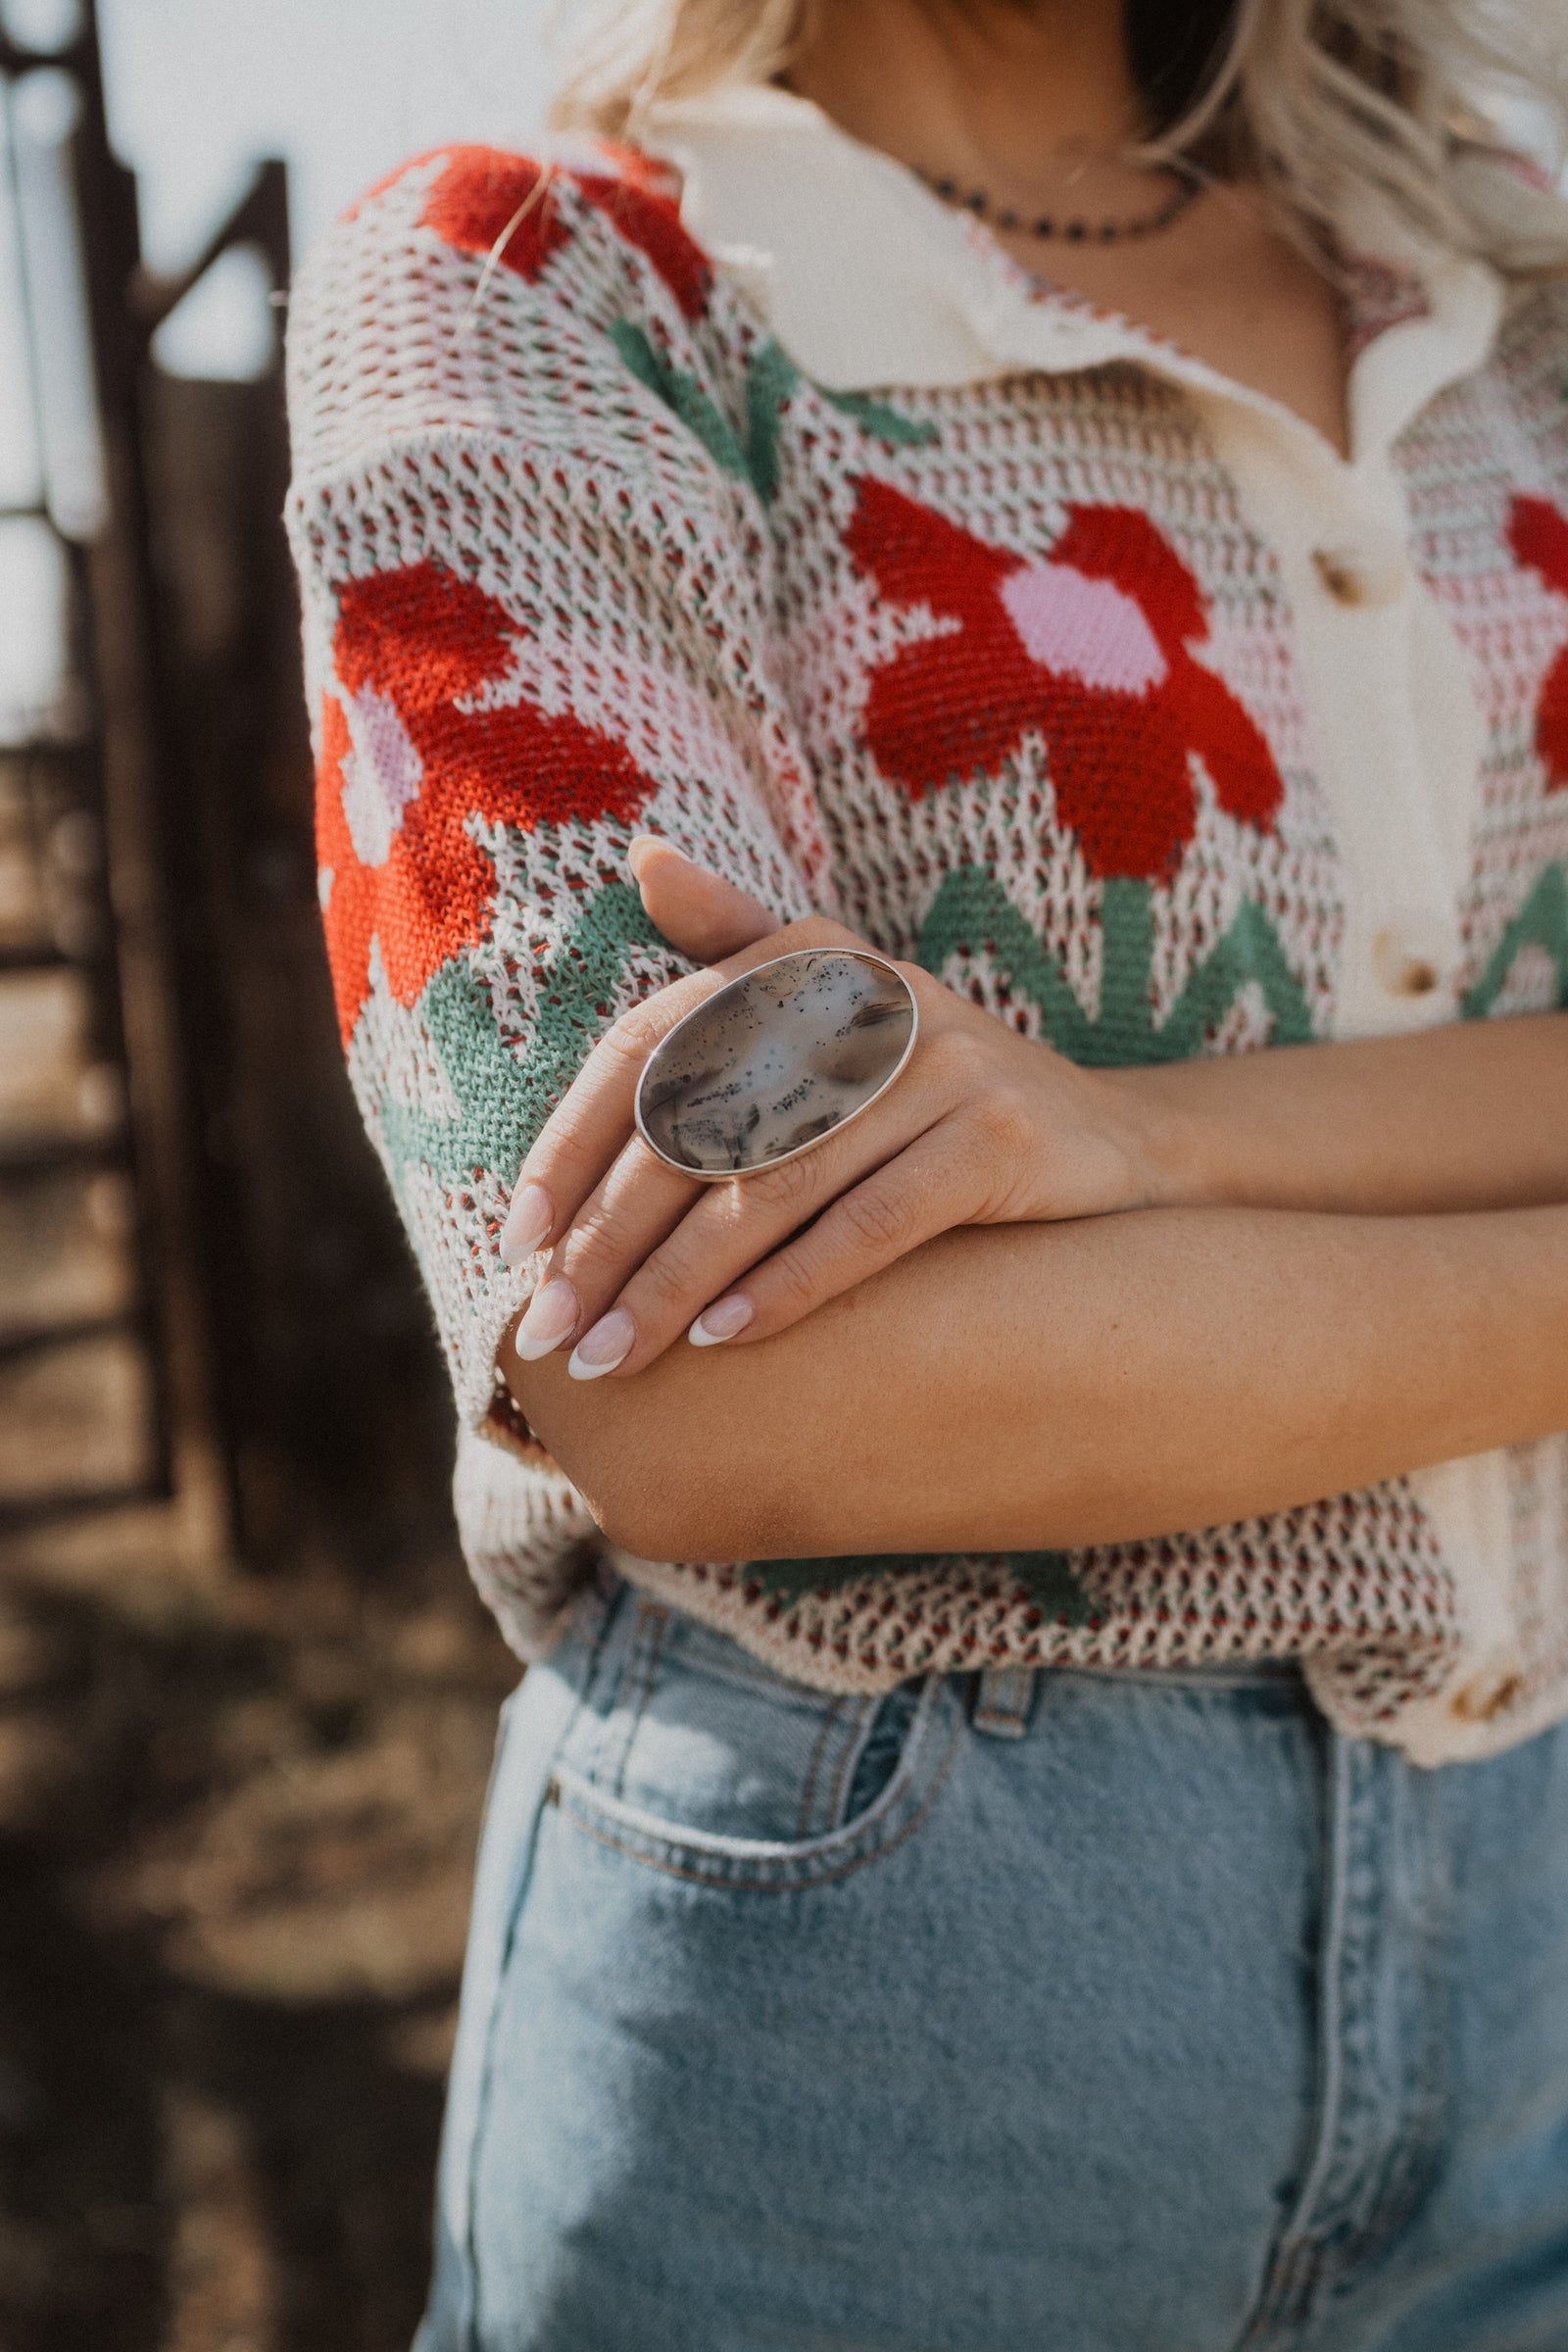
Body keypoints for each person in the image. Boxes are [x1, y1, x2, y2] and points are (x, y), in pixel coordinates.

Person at [285, 0, 1568, 2341]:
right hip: (881, 2007)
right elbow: (698, 1389)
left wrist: (1144, 1135)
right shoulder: (540, 283)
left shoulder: (1516, 289)